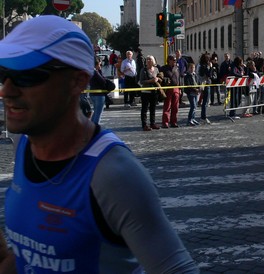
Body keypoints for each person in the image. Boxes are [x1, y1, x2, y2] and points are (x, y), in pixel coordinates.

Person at [0, 15, 198, 273]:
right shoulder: (24, 145)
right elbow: (30, 256)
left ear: (78, 82)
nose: (6, 90)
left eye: (28, 76)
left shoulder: (114, 175)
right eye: (4, 73)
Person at [139, 55, 161, 131]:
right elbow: (141, 81)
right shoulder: (143, 70)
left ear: (153, 61)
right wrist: (150, 81)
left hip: (154, 92)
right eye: (147, 59)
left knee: (153, 108)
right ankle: (144, 124)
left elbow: (159, 78)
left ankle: (153, 123)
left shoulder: (156, 69)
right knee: (144, 109)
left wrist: (158, 79)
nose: (148, 61)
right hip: (145, 92)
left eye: (150, 59)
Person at [88, 56, 113, 125]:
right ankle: (95, 129)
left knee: (95, 112)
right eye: (99, 64)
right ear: (96, 64)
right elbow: (102, 81)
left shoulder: (90, 71)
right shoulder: (95, 72)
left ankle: (91, 128)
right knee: (98, 114)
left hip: (93, 94)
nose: (100, 65)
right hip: (99, 95)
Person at [160, 54, 181, 128]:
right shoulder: (164, 68)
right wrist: (165, 80)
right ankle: (165, 122)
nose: (174, 61)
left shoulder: (177, 68)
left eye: (175, 60)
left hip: (176, 88)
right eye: (173, 60)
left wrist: (180, 89)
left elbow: (179, 79)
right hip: (168, 88)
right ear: (169, 60)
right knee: (167, 106)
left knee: (175, 107)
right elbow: (160, 78)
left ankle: (173, 122)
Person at [183, 62, 200, 126]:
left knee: (195, 106)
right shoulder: (187, 76)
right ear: (188, 68)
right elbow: (188, 85)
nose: (192, 69)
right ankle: (189, 119)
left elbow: (197, 82)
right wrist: (195, 90)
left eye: (193, 67)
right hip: (191, 93)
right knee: (192, 106)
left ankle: (193, 118)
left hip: (196, 93)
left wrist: (199, 88)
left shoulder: (195, 75)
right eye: (191, 68)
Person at [196, 53, 211, 124]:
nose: (209, 60)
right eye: (207, 58)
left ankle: (203, 116)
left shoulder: (201, 65)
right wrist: (210, 67)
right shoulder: (204, 66)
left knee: (205, 102)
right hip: (205, 84)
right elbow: (208, 74)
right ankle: (203, 117)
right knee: (205, 102)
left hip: (203, 84)